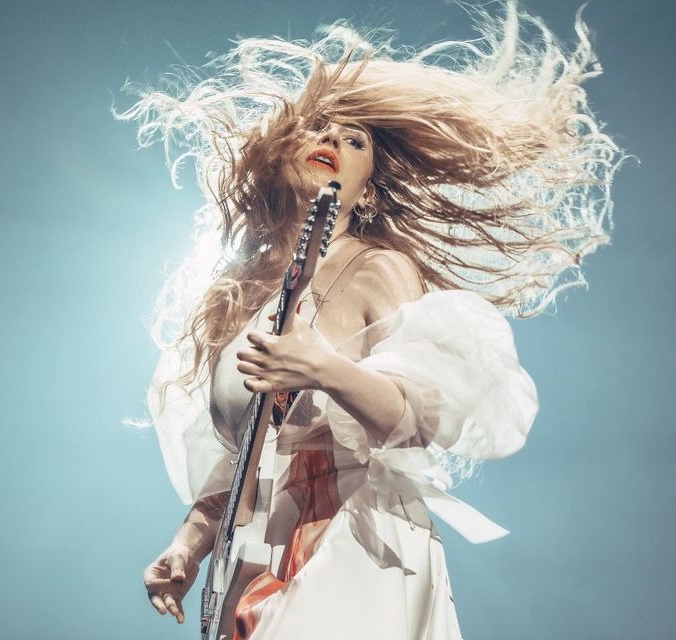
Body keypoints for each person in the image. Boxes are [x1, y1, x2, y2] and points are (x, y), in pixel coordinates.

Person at [118, 2, 623, 637]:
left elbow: (414, 424)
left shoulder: (378, 268)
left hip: (358, 541)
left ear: (371, 185)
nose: (331, 140)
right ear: (278, 153)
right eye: (318, 129)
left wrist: (324, 369)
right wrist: (186, 549)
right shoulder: (233, 294)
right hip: (253, 568)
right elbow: (241, 463)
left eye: (354, 140)